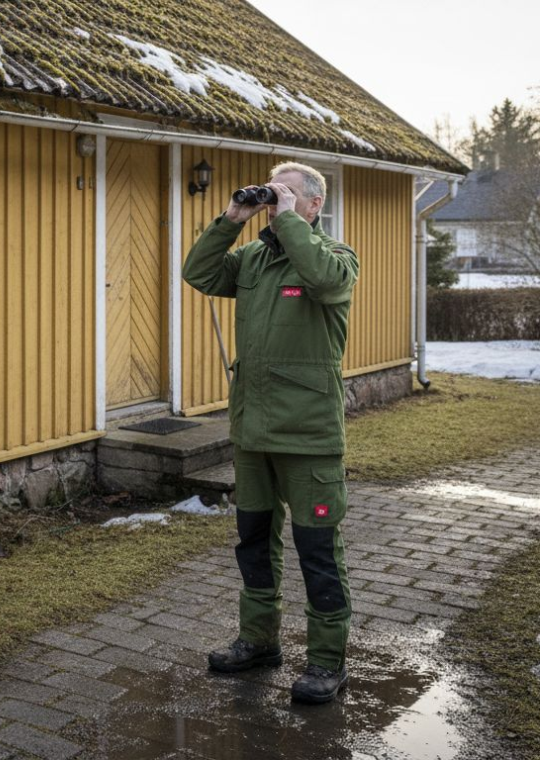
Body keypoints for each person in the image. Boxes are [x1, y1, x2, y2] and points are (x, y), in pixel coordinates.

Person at [181, 162, 359, 704]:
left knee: (317, 551)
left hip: (308, 437)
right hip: (253, 432)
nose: (274, 198)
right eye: (271, 189)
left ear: (312, 206)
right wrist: (233, 218)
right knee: (254, 543)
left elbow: (323, 280)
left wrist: (286, 222)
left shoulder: (336, 258)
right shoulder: (254, 259)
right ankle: (259, 640)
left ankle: (327, 662)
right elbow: (200, 273)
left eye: (286, 193)